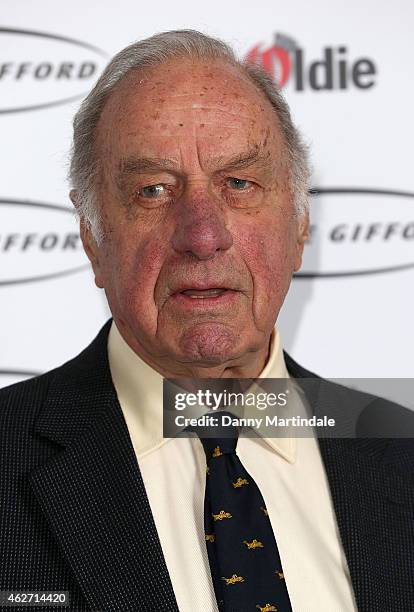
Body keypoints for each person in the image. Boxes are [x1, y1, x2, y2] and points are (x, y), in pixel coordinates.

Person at [0, 30, 412, 612]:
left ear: (299, 224)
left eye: (239, 184)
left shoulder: (399, 450)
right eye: (152, 191)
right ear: (93, 238)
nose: (203, 235)